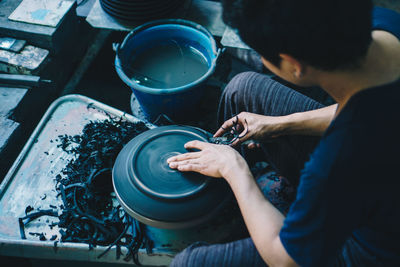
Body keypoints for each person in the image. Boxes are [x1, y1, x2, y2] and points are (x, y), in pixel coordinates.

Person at [167, 0, 400, 266]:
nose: (264, 60)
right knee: (242, 89)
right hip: (380, 176)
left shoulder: (338, 160)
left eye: (262, 54)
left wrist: (234, 169)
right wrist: (283, 123)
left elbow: (286, 259)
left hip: (373, 247)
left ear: (294, 64)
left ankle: (262, 204)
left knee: (187, 264)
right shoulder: (386, 26)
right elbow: (371, 109)